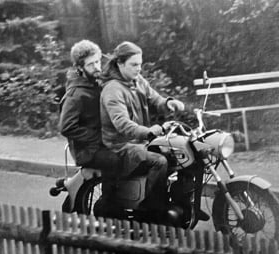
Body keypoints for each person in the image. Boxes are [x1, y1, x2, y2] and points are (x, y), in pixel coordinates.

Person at [98, 41, 185, 219]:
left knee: (176, 155)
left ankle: (176, 203)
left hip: (139, 142)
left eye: (140, 64)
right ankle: (151, 212)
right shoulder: (113, 89)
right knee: (158, 162)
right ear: (120, 64)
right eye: (134, 64)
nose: (138, 69)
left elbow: (156, 99)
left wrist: (169, 103)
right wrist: (148, 131)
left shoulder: (137, 81)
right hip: (119, 147)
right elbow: (122, 123)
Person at [59, 39, 121, 214]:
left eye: (98, 61)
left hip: (102, 143)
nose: (97, 67)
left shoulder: (95, 82)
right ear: (80, 67)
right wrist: (97, 136)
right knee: (116, 160)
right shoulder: (76, 94)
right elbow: (66, 127)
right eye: (91, 64)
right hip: (87, 150)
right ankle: (109, 207)